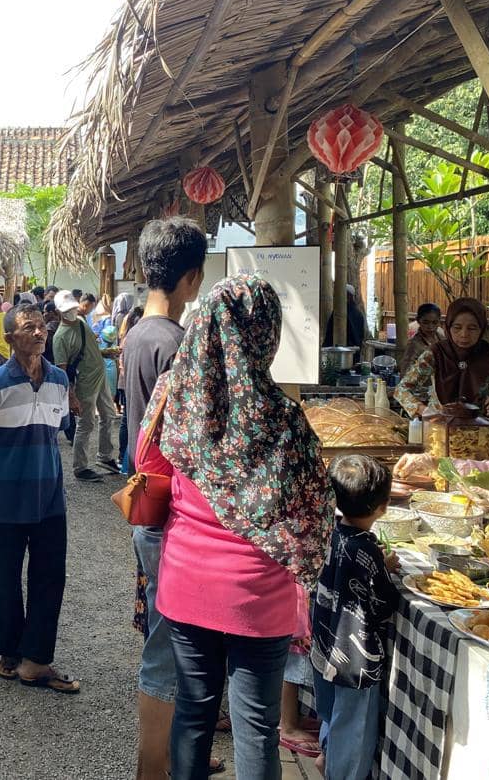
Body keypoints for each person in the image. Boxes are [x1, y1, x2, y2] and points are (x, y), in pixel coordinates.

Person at [154, 275, 334, 780]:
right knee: (255, 726)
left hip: (186, 582)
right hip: (259, 596)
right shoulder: (284, 419)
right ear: (265, 334)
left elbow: (146, 468)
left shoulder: (176, 399)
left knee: (193, 711)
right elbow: (314, 512)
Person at [120, 217, 207, 780]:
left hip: (145, 500)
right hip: (168, 508)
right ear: (192, 277)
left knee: (166, 630)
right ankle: (155, 766)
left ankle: (173, 756)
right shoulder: (174, 343)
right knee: (169, 640)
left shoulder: (134, 334)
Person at [0, 303, 79, 693]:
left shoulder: (59, 379)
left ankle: (37, 660)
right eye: (29, 328)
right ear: (10, 338)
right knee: (6, 577)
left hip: (48, 496)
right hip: (5, 497)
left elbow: (58, 426)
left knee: (49, 578)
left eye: (42, 326)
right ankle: (9, 652)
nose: (40, 333)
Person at [311, 454, 401, 780]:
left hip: (323, 644)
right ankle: (341, 771)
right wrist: (384, 570)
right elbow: (383, 603)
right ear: (383, 506)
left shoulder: (330, 533)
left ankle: (326, 756)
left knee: (331, 712)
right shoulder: (366, 550)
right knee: (354, 729)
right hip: (355, 662)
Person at [394, 343, 489, 481]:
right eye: (457, 327)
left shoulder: (488, 353)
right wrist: (435, 463)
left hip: (481, 436)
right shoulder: (435, 354)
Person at [394, 297, 489, 417]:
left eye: (472, 328)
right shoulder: (436, 353)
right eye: (457, 327)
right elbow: (401, 390)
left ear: (482, 329)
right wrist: (425, 411)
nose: (464, 334)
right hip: (440, 426)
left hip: (482, 428)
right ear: (449, 327)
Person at [53, 290, 117, 481]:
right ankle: (80, 467)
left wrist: (105, 353)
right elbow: (62, 371)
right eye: (67, 309)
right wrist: (71, 397)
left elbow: (89, 349)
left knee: (109, 415)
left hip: (100, 376)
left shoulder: (81, 322)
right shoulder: (60, 337)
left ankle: (105, 456)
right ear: (59, 312)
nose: (72, 311)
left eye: (73, 308)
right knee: (86, 423)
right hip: (84, 384)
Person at [399, 303, 444, 374]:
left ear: (439, 321)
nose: (430, 327)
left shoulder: (441, 336)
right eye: (426, 322)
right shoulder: (414, 344)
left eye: (435, 322)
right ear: (418, 321)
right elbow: (405, 373)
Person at [322, 284, 367, 349]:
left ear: (348, 296)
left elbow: (330, 335)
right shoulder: (359, 313)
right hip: (355, 352)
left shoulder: (339, 312)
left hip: (342, 352)